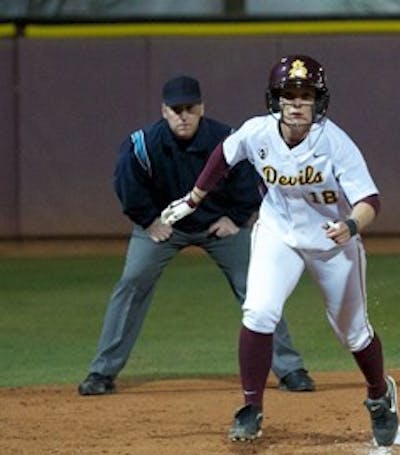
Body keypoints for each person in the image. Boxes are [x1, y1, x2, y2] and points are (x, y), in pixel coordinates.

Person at [160, 55, 398, 446]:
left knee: (353, 333)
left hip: (331, 243)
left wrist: (351, 225)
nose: (297, 103)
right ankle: (251, 407)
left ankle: (378, 394)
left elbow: (370, 199)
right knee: (259, 311)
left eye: (306, 95)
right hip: (278, 236)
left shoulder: (335, 143)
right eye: (289, 95)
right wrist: (194, 198)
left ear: (319, 101)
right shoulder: (258, 133)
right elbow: (224, 154)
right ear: (276, 100)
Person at [79, 75, 314, 397]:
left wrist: (236, 216)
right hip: (163, 225)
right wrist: (148, 221)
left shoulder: (226, 139)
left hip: (218, 225)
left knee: (258, 288)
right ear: (164, 111)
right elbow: (127, 183)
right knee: (132, 283)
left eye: (189, 108)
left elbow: (254, 176)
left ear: (202, 108)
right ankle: (101, 373)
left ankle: (290, 369)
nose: (183, 116)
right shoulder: (143, 144)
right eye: (176, 110)